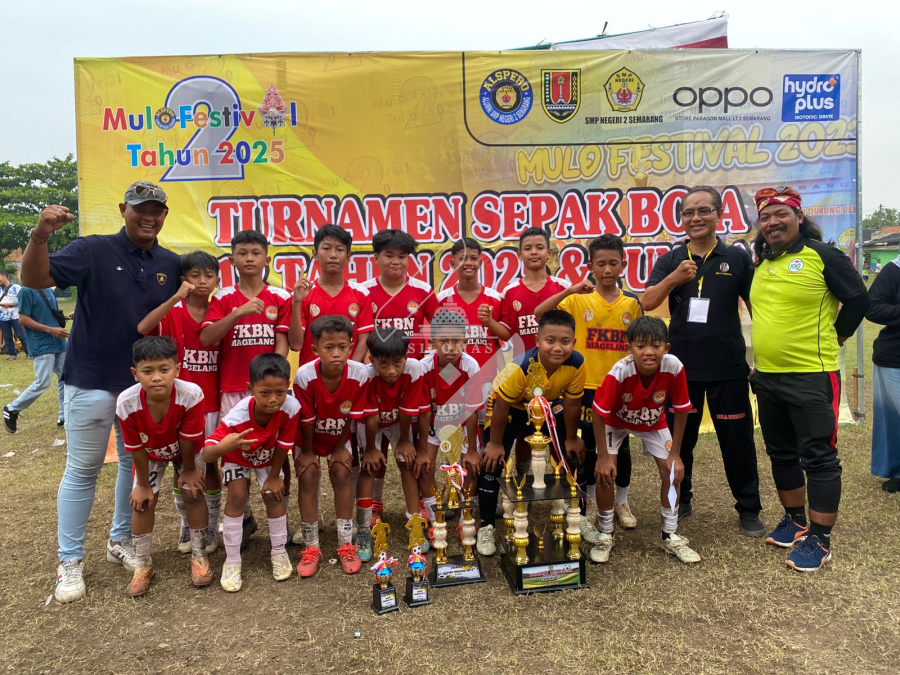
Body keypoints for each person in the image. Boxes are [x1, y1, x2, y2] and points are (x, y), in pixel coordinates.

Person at [20, 184, 181, 603]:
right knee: (83, 469)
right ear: (123, 209)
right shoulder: (92, 249)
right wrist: (41, 233)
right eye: (141, 209)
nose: (149, 217)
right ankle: (69, 560)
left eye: (157, 210)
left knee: (133, 465)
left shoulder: (170, 263)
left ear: (165, 215)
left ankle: (120, 540)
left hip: (142, 387)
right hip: (90, 379)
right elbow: (34, 279)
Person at [749, 186, 869, 572]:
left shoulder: (823, 255)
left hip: (812, 375)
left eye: (781, 214)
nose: (772, 222)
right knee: (781, 452)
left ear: (799, 217)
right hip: (768, 377)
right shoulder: (762, 262)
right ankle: (795, 520)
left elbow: (858, 299)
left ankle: (820, 538)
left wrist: (840, 336)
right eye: (765, 217)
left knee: (818, 457)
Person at [642, 186, 764, 536]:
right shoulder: (671, 259)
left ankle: (748, 508)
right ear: (681, 218)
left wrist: (761, 356)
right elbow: (647, 302)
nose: (696, 218)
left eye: (704, 210)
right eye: (688, 212)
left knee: (737, 442)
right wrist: (674, 278)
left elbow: (757, 308)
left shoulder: (736, 258)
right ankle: (681, 500)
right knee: (680, 442)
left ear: (718, 215)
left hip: (728, 368)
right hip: (681, 369)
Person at [534, 233, 642, 544]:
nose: (607, 270)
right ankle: (593, 499)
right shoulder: (578, 299)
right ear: (590, 266)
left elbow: (636, 345)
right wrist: (570, 288)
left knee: (620, 446)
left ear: (623, 265)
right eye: (600, 264)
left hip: (618, 387)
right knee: (588, 447)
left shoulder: (631, 303)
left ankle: (621, 501)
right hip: (585, 387)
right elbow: (540, 313)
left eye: (613, 263)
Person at [200, 230, 301, 547]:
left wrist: (272, 383)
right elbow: (207, 338)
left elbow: (284, 344)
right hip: (233, 389)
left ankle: (281, 521)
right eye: (242, 253)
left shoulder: (280, 297)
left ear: (266, 259)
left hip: (268, 389)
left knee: (277, 452)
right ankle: (243, 520)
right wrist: (238, 313)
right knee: (233, 452)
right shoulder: (223, 298)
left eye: (255, 253)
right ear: (232, 260)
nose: (249, 258)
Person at [477, 309, 586, 556]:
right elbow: (502, 405)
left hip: (545, 404)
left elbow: (572, 403)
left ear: (574, 342)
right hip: (509, 406)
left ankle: (577, 516)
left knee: (570, 453)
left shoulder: (577, 363)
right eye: (550, 341)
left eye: (565, 341)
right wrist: (495, 443)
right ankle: (486, 525)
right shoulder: (522, 366)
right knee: (493, 460)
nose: (557, 348)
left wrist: (571, 438)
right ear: (537, 341)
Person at [591, 316, 699, 563]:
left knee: (672, 472)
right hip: (615, 422)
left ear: (666, 347)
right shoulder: (620, 371)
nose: (648, 352)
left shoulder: (674, 367)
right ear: (629, 348)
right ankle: (605, 534)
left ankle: (669, 534)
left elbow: (681, 409)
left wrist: (675, 454)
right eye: (640, 346)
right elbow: (598, 413)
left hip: (652, 422)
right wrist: (603, 457)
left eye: (656, 345)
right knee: (606, 473)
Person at [138, 250, 224, 555]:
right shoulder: (173, 312)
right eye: (194, 275)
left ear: (217, 280)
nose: (202, 281)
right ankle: (188, 523)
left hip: (212, 402)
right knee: (183, 465)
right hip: (177, 405)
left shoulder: (220, 310)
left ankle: (211, 524)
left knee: (209, 465)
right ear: (183, 279)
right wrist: (175, 297)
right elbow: (142, 328)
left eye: (208, 275)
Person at [116, 336, 211, 596]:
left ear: (177, 369)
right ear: (135, 373)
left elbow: (189, 438)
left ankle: (199, 555)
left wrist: (189, 470)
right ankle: (142, 564)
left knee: (193, 492)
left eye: (164, 369)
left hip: (187, 451)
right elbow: (135, 448)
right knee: (143, 502)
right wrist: (143, 484)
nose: (157, 377)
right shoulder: (126, 402)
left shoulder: (191, 394)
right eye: (148, 371)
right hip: (150, 453)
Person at [202, 353, 300, 591]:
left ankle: (279, 552)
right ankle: (232, 561)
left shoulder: (291, 407)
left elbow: (284, 445)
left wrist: (274, 477)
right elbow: (207, 454)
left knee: (273, 495)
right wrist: (224, 446)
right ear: (250, 389)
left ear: (287, 386)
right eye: (264, 393)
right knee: (237, 496)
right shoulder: (237, 416)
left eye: (280, 392)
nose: (273, 399)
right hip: (237, 456)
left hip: (268, 457)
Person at [359, 229, 437, 522]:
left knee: (411, 450)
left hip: (410, 381)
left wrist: (427, 362)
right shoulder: (364, 292)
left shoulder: (423, 290)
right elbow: (360, 335)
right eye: (389, 255)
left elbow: (441, 328)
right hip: (378, 379)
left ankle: (420, 505)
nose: (395, 261)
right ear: (376, 257)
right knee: (376, 448)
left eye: (402, 256)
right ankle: (375, 503)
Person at [293, 316, 374, 578]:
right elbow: (306, 420)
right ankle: (311, 547)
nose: (336, 353)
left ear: (351, 346)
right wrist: (308, 452)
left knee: (341, 473)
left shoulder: (360, 374)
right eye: (329, 347)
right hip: (308, 439)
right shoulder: (304, 376)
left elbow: (352, 415)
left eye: (342, 347)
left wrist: (340, 448)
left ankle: (346, 544)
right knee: (308, 476)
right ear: (315, 349)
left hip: (339, 436)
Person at [497, 227, 571, 475]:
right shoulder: (510, 291)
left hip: (556, 373)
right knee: (525, 430)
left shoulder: (563, 287)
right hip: (523, 374)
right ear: (520, 255)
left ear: (549, 253)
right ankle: (523, 477)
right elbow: (508, 334)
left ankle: (562, 480)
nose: (534, 252)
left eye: (539, 247)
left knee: (558, 431)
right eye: (528, 248)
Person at [355, 328, 431, 560]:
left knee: (407, 463)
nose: (391, 370)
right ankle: (363, 529)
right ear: (371, 360)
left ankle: (414, 523)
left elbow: (410, 409)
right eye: (383, 364)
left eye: (397, 363)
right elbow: (371, 416)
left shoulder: (414, 368)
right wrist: (370, 449)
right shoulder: (365, 374)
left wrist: (406, 441)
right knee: (370, 467)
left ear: (406, 358)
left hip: (399, 421)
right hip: (371, 424)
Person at [417, 309, 483, 539]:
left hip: (462, 424)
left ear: (464, 341)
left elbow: (471, 410)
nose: (450, 347)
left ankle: (466, 518)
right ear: (432, 343)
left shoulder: (470, 366)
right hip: (434, 424)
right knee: (425, 466)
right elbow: (424, 411)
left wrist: (472, 450)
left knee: (469, 466)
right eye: (443, 341)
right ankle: (436, 520)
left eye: (456, 341)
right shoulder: (424, 367)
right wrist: (422, 450)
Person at [435, 237, 508, 427]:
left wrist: (502, 376)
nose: (468, 263)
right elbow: (436, 344)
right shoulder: (442, 299)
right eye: (462, 258)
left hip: (487, 377)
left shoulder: (494, 298)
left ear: (480, 263)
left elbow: (501, 340)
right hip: (455, 377)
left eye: (473, 258)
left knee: (485, 425)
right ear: (452, 264)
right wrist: (449, 376)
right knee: (455, 428)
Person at [296, 225, 374, 365]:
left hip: (350, 374)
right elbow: (296, 344)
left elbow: (363, 340)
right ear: (315, 254)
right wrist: (296, 302)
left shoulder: (361, 293)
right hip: (313, 374)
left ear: (348, 256)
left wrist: (349, 370)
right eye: (326, 248)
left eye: (339, 249)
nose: (333, 255)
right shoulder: (303, 294)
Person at [3, 285, 68, 433]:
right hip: (41, 344)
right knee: (43, 382)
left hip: (59, 342)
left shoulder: (48, 289)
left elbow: (47, 314)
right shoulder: (26, 291)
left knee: (65, 378)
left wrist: (63, 318)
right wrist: (50, 330)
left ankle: (64, 416)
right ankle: (12, 408)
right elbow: (23, 319)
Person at [867, 256, 900, 492]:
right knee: (893, 419)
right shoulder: (895, 270)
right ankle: (897, 470)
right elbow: (872, 307)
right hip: (894, 358)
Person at [0, 271, 28, 360]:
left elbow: (22, 299)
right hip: (3, 317)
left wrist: (11, 304)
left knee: (21, 335)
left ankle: (29, 353)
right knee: (7, 336)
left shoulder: (16, 287)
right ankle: (12, 354)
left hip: (15, 316)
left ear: (4, 277)